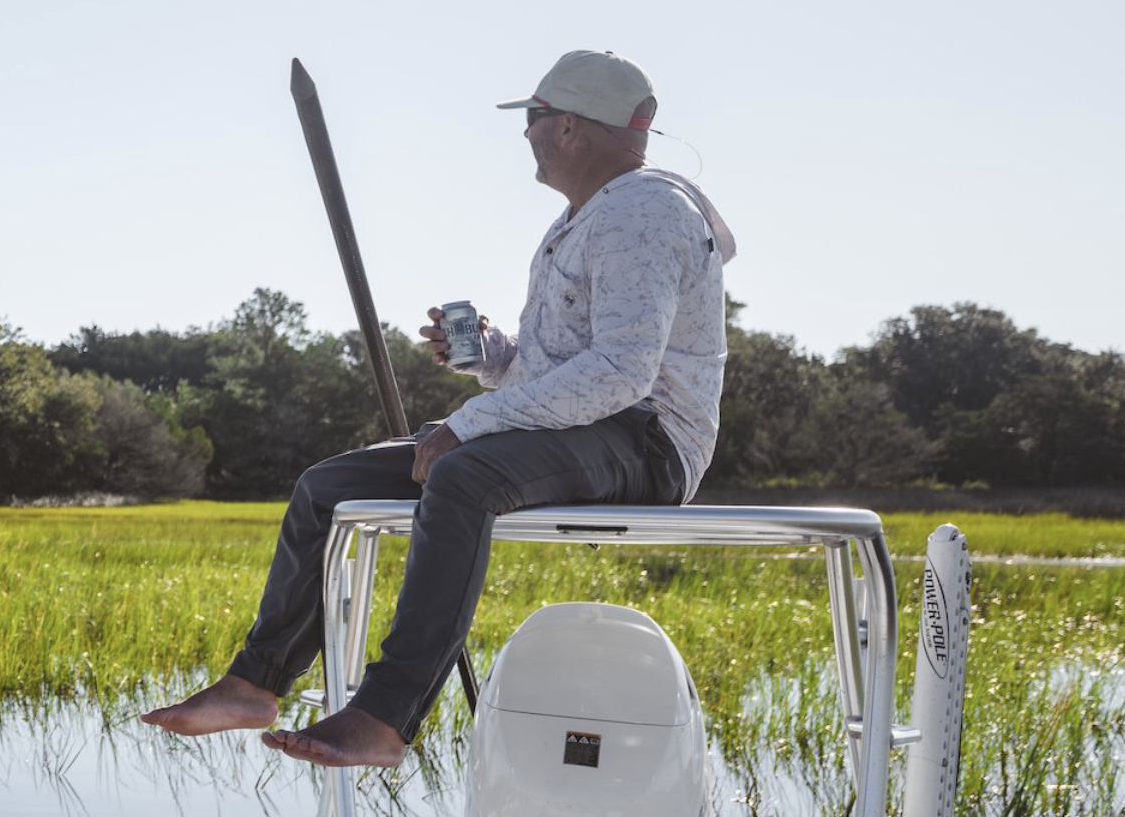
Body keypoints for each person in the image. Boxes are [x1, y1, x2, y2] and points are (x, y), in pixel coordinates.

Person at [142, 51, 738, 768]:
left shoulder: (643, 213)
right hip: (588, 425)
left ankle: (384, 718)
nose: (527, 135)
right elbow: (560, 371)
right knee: (325, 488)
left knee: (465, 474)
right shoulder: (584, 219)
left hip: (648, 441)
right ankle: (254, 684)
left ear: (572, 127)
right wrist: (489, 355)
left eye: (534, 117)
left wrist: (468, 424)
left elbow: (621, 373)